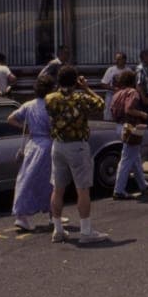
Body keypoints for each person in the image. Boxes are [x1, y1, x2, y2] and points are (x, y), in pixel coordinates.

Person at [44, 65, 110, 245]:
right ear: (75, 81)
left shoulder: (50, 99)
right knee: (82, 189)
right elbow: (100, 104)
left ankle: (58, 229)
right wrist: (86, 88)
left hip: (58, 145)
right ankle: (86, 231)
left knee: (58, 188)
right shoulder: (81, 98)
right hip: (77, 146)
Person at [6, 74, 56, 231]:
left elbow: (10, 118)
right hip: (47, 145)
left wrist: (25, 128)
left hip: (31, 145)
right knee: (51, 182)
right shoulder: (50, 107)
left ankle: (21, 215)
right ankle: (53, 215)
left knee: (25, 179)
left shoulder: (28, 105)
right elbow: (53, 129)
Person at [109, 70, 148, 200]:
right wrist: (142, 114)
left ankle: (142, 184)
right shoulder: (132, 92)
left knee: (135, 156)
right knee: (127, 158)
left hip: (119, 126)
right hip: (130, 126)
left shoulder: (117, 94)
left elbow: (112, 110)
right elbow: (129, 109)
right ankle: (119, 190)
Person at [101, 51, 130, 121]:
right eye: (116, 59)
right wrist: (114, 88)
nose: (116, 61)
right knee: (110, 118)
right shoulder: (110, 70)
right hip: (111, 97)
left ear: (124, 60)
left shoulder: (128, 71)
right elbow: (103, 84)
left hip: (124, 98)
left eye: (119, 59)